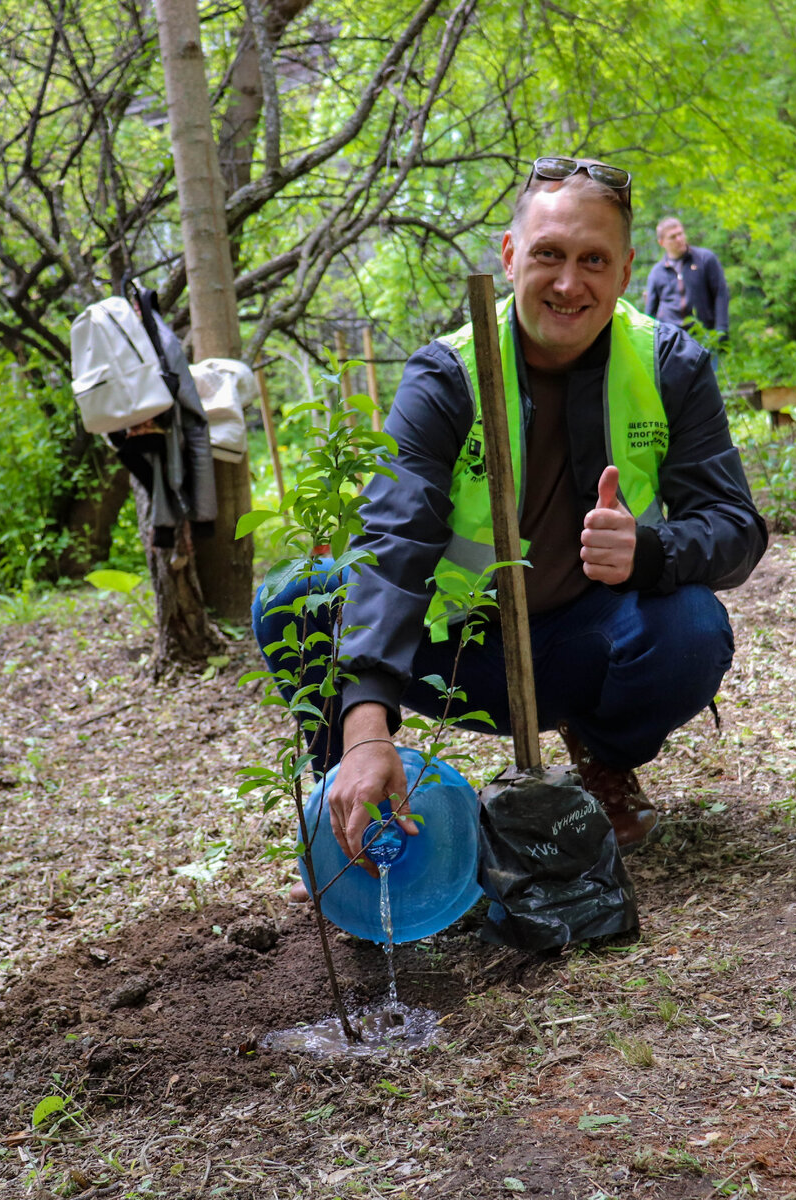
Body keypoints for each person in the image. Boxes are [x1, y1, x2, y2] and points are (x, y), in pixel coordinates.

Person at [253, 155, 767, 888]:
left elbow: (736, 529)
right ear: (507, 255)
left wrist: (649, 551)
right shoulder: (446, 374)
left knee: (689, 625)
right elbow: (392, 538)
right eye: (548, 255)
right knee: (295, 600)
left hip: (584, 645)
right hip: (449, 646)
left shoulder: (669, 364)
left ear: (625, 272)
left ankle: (603, 762)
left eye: (593, 260)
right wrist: (365, 722)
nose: (568, 282)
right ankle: (353, 787)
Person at [644, 218, 729, 348]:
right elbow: (650, 311)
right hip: (671, 340)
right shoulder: (657, 272)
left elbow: (720, 293)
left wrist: (721, 329)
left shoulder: (705, 259)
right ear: (661, 242)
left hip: (704, 335)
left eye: (680, 234)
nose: (679, 239)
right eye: (673, 237)